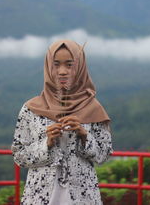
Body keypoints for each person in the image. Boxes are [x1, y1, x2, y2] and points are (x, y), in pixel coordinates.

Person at [11, 39, 112, 205]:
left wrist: (84, 135)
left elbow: (104, 153)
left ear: (79, 67)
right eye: (56, 64)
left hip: (82, 196)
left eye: (69, 65)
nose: (62, 71)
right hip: (39, 196)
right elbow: (19, 156)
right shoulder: (31, 108)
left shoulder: (93, 108)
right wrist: (46, 143)